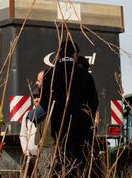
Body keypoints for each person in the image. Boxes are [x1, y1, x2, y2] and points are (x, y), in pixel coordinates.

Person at [38, 40, 98, 176]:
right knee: (81, 167)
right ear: (75, 54)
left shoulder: (49, 75)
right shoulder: (86, 76)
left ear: (59, 54)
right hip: (81, 132)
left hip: (59, 129)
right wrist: (87, 119)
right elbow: (94, 102)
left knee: (62, 166)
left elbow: (44, 103)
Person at [19, 86, 41, 174]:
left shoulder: (48, 112)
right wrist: (25, 149)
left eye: (38, 97)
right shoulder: (27, 115)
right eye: (34, 97)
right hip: (31, 157)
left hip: (44, 155)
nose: (36, 99)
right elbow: (23, 134)